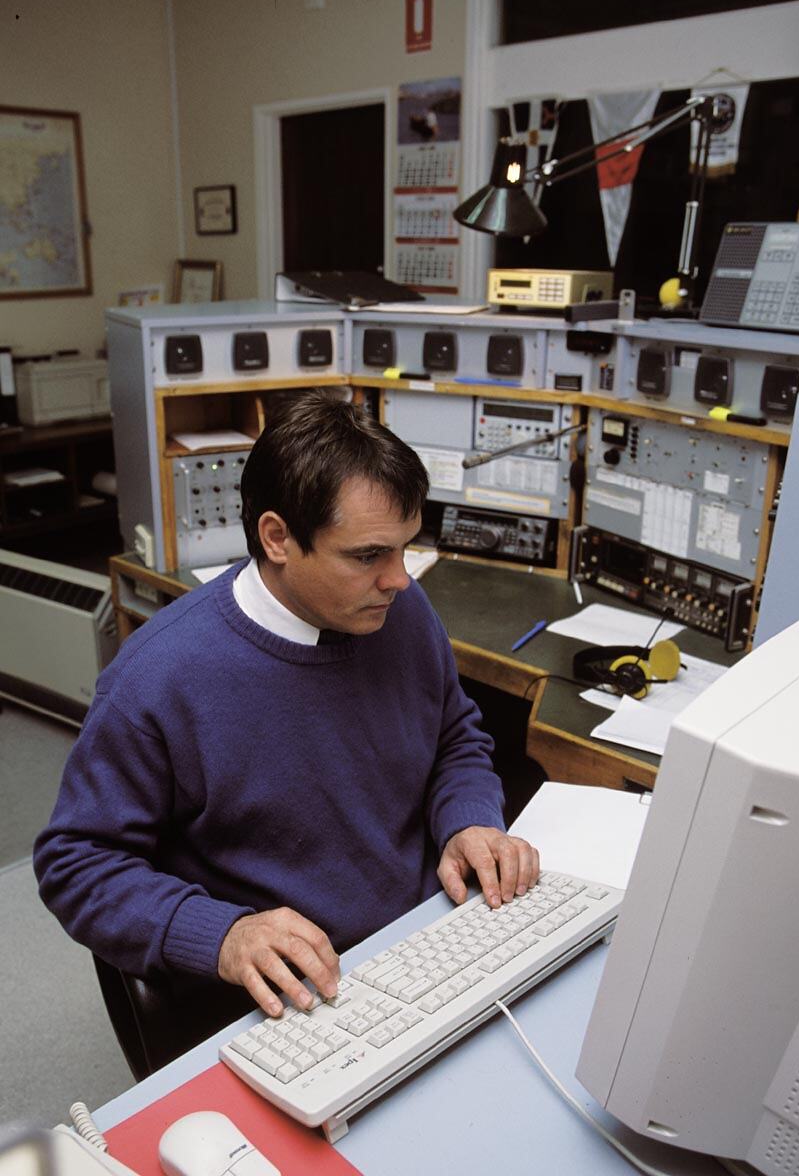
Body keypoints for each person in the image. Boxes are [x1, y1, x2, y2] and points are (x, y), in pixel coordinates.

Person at [34, 390, 538, 1027]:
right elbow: (75, 864)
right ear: (277, 537)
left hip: (431, 937)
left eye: (404, 547)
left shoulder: (400, 610)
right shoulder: (157, 681)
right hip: (299, 992)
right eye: (368, 555)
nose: (399, 579)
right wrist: (223, 935)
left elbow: (455, 737)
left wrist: (469, 820)